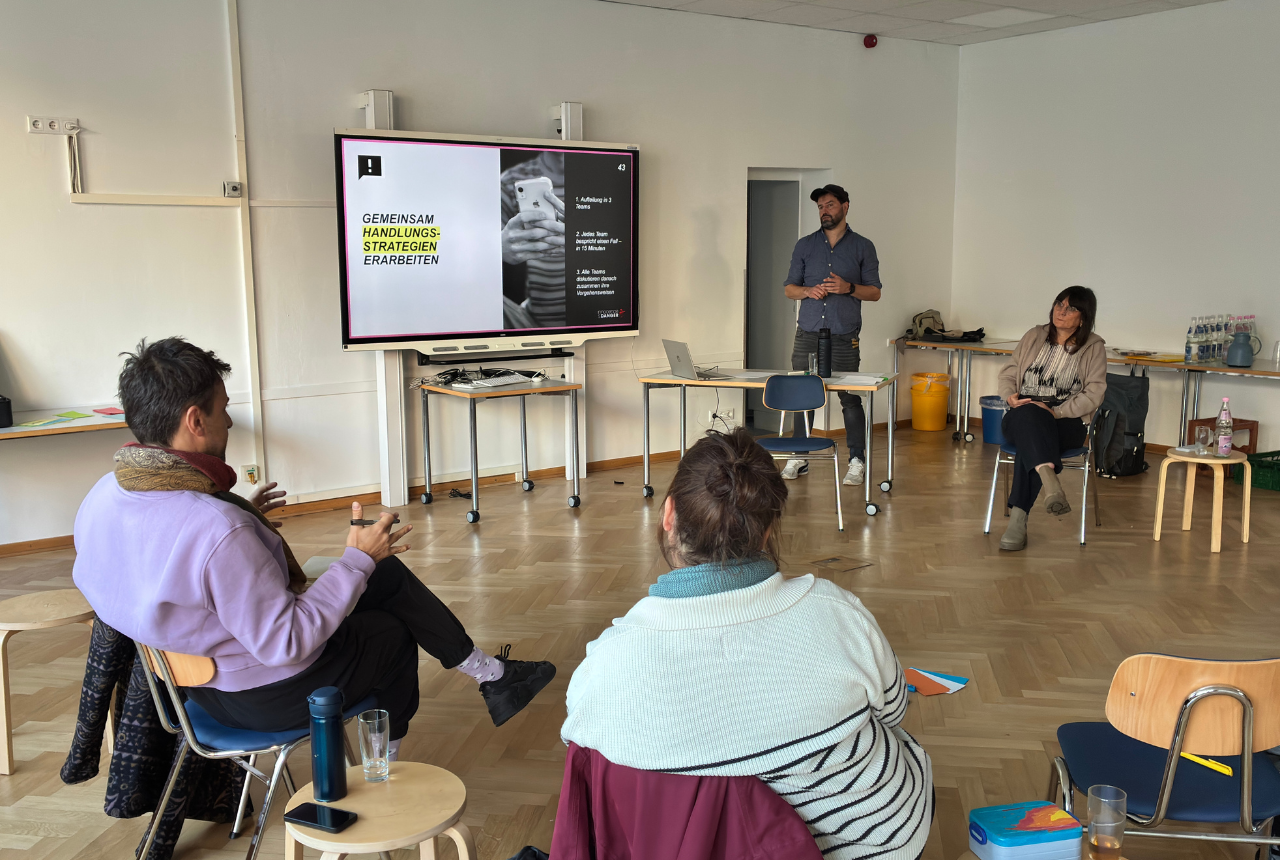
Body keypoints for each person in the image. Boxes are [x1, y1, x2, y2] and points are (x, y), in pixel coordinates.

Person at [73, 338, 556, 752]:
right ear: (195, 420)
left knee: (382, 575)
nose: (232, 423)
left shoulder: (107, 492)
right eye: (224, 410)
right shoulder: (218, 528)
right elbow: (287, 643)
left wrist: (241, 511)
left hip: (184, 686)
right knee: (389, 634)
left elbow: (161, 552)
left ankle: (491, 674)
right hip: (259, 695)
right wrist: (355, 559)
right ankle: (381, 769)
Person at [560, 428, 933, 860]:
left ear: (668, 515)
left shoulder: (607, 663)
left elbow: (589, 760)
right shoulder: (836, 611)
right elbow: (893, 712)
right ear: (768, 531)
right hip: (881, 842)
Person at [780, 184, 882, 486]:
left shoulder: (863, 246)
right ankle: (799, 456)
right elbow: (789, 289)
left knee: (850, 399)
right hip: (808, 333)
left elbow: (875, 292)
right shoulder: (805, 245)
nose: (825, 211)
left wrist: (848, 287)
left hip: (843, 335)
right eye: (821, 207)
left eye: (830, 205)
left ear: (845, 206)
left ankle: (856, 460)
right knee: (801, 396)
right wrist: (807, 291)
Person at [996, 286, 1106, 551]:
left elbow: (1095, 393)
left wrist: (1056, 411)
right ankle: (1048, 479)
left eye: (1070, 308)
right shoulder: (1034, 336)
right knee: (1031, 419)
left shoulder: (1093, 347)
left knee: (1030, 442)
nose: (1061, 311)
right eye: (1059, 304)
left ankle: (1018, 522)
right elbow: (1008, 374)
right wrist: (1009, 395)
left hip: (1067, 420)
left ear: (1084, 316)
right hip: (1022, 412)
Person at [500, 151, 566, 328]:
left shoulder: (604, 176)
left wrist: (585, 241)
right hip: (533, 322)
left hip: (597, 318)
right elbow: (471, 247)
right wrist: (498, 248)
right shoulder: (510, 181)